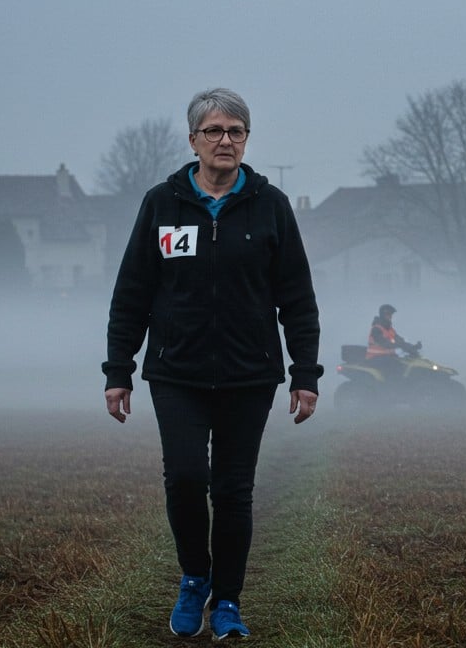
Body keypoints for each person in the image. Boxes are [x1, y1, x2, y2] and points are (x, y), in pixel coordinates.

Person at [102, 88, 321, 641]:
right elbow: (132, 292)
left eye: (237, 131)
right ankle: (194, 578)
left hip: (250, 375)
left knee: (231, 489)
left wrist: (306, 375)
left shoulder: (271, 206)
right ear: (193, 139)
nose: (226, 141)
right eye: (215, 131)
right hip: (177, 372)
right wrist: (118, 370)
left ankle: (227, 600)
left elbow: (296, 297)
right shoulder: (162, 203)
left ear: (247, 140)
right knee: (185, 478)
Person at [366, 303, 420, 381]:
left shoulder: (389, 329)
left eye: (391, 315)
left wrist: (413, 347)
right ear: (383, 315)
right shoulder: (376, 329)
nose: (390, 317)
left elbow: (400, 340)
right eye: (388, 314)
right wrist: (399, 345)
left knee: (403, 363)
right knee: (396, 366)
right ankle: (391, 387)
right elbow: (385, 343)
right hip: (374, 358)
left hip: (386, 356)